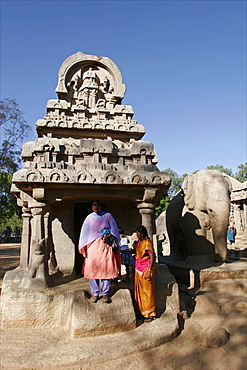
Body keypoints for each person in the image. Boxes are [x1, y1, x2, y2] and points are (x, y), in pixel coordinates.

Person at [78, 200, 120, 303]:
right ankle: (95, 293)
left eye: (98, 208)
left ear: (101, 207)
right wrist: (84, 246)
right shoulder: (89, 218)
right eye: (94, 209)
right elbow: (85, 233)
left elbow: (114, 230)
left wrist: (109, 235)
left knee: (107, 268)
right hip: (92, 246)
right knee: (93, 270)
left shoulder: (107, 216)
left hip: (105, 246)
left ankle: (105, 293)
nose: (96, 210)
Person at [134, 225, 156, 322]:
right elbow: (135, 252)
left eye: (138, 233)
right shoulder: (138, 243)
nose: (136, 235)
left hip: (145, 269)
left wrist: (149, 270)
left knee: (147, 292)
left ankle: (150, 314)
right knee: (138, 291)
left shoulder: (147, 243)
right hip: (138, 269)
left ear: (142, 233)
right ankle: (141, 311)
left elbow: (152, 257)